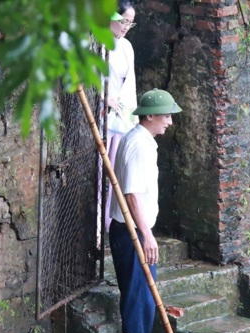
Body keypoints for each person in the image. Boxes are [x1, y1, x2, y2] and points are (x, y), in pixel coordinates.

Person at [108, 88, 182, 333]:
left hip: (130, 231)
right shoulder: (139, 145)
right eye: (166, 116)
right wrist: (147, 236)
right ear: (150, 115)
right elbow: (132, 195)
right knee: (140, 299)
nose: (170, 122)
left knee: (142, 298)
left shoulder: (139, 139)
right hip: (132, 233)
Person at [105, 2, 138, 232]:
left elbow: (131, 85)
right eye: (124, 21)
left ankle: (114, 221)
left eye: (130, 23)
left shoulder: (126, 46)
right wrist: (103, 96)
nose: (126, 26)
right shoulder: (97, 44)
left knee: (119, 170)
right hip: (103, 116)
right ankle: (99, 225)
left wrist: (134, 118)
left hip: (122, 117)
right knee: (101, 172)